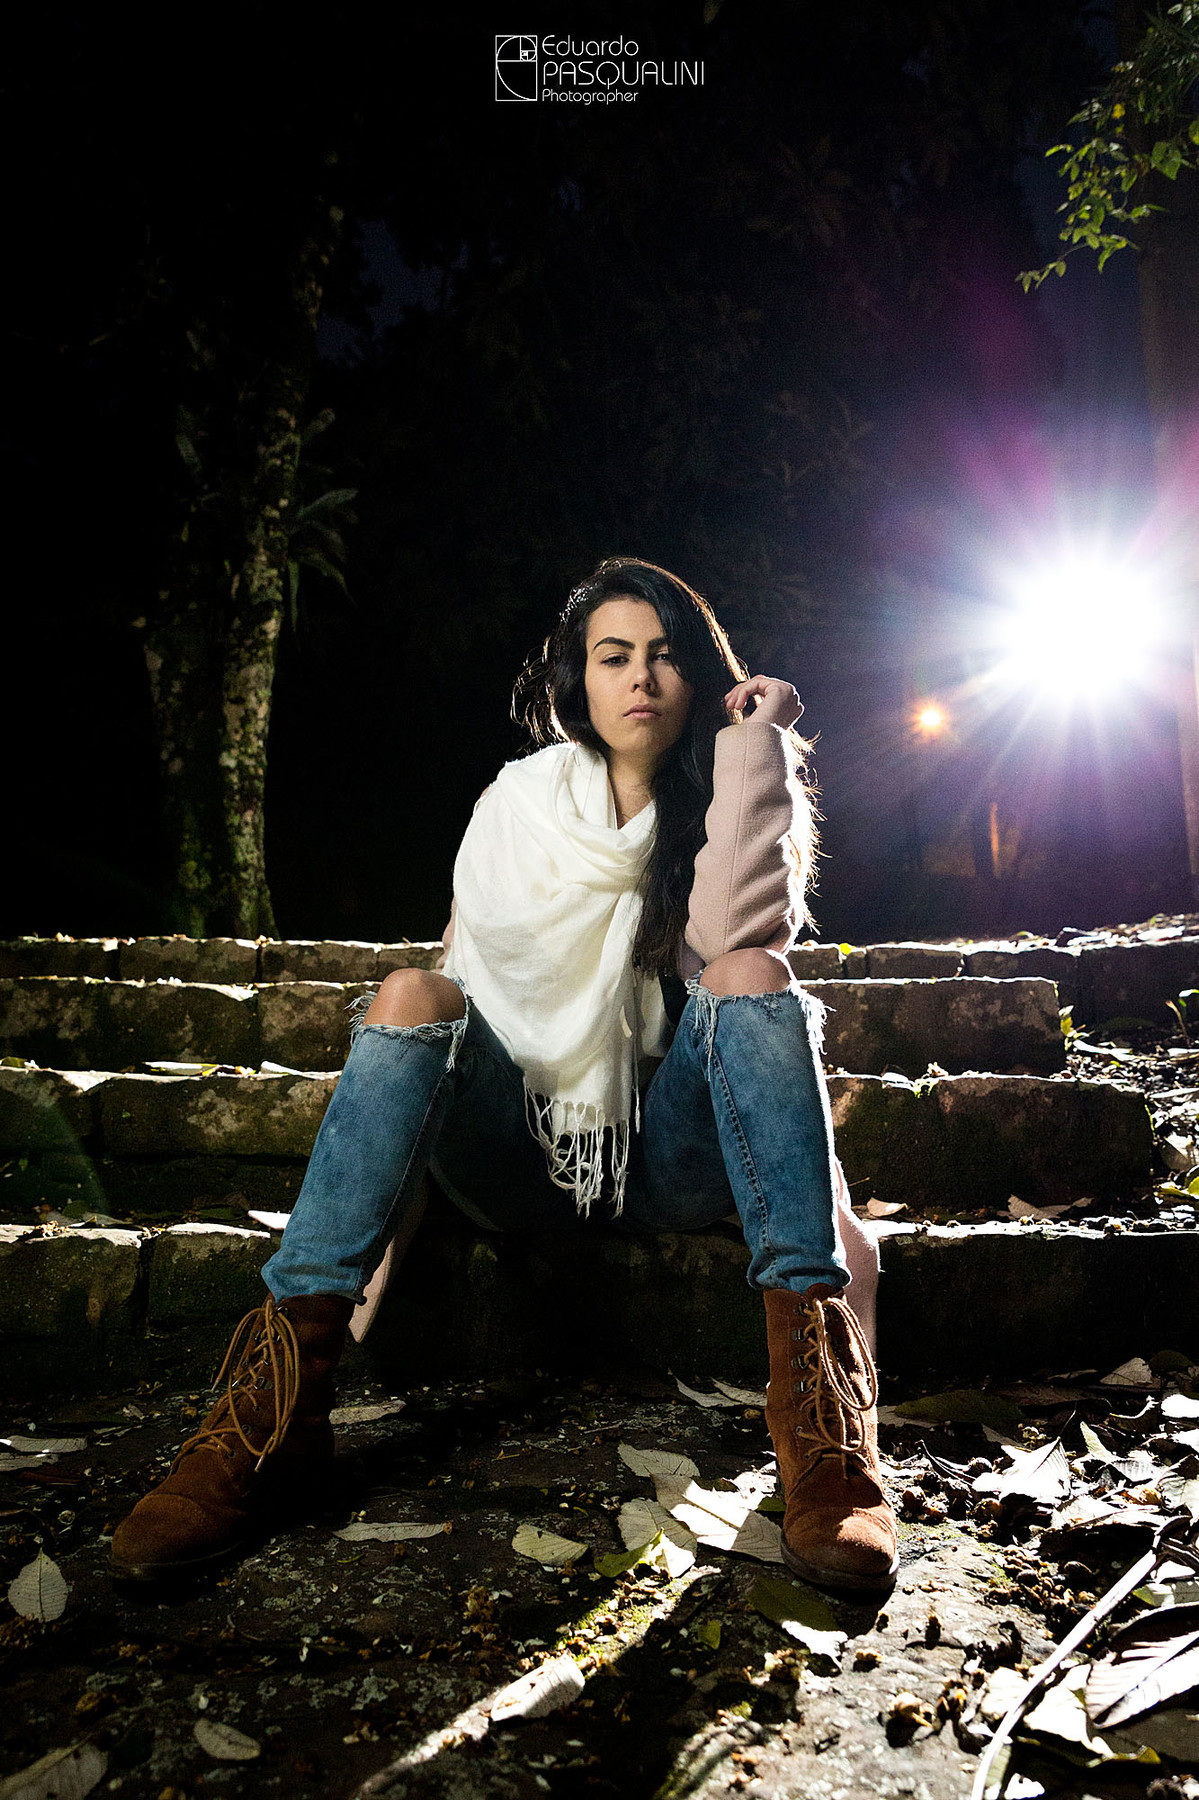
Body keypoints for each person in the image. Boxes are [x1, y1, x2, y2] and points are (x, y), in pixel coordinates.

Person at [111, 556, 897, 1592]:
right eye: (612, 657)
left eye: (664, 657)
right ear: (577, 678)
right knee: (410, 993)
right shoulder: (516, 802)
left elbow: (730, 941)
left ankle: (820, 1433)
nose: (641, 680)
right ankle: (267, 1416)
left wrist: (754, 747)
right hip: (517, 1150)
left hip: (666, 1160)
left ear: (697, 676)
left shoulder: (725, 791)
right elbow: (458, 968)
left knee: (753, 971)